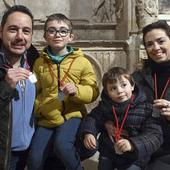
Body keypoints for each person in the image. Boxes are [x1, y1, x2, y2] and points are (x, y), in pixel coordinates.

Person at [27, 13, 99, 170]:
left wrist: (77, 90)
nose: (57, 34)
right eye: (51, 30)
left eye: (62, 31)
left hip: (71, 115)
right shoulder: (39, 63)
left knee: (63, 146)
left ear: (71, 36)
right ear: (45, 36)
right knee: (34, 158)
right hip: (47, 116)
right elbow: (35, 91)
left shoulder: (82, 62)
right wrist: (40, 107)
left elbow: (93, 91)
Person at [78, 66, 163, 170]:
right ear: (107, 92)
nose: (119, 91)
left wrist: (133, 144)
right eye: (113, 88)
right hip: (108, 153)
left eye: (123, 85)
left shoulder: (145, 108)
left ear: (132, 86)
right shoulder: (105, 106)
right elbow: (93, 118)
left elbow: (155, 134)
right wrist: (89, 133)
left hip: (135, 158)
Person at [0, 5, 39, 170]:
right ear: (1, 32)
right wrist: (6, 87)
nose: (20, 36)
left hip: (30, 154)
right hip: (4, 157)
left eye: (26, 31)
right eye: (13, 29)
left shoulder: (37, 61)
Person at [133, 20, 170, 170]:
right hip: (145, 144)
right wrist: (110, 123)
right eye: (149, 44)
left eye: (161, 41)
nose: (155, 48)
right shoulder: (137, 77)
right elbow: (113, 102)